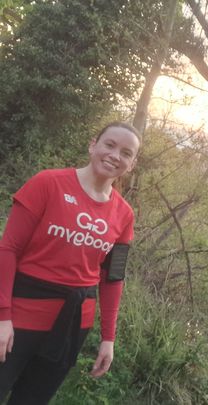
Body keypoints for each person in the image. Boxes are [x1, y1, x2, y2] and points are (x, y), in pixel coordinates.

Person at [0, 122, 140, 404]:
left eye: (126, 152)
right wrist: (2, 317)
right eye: (109, 145)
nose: (115, 155)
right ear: (93, 145)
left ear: (132, 164)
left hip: (72, 327)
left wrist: (108, 339)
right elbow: (8, 249)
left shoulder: (124, 215)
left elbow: (113, 278)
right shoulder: (48, 183)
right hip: (19, 317)